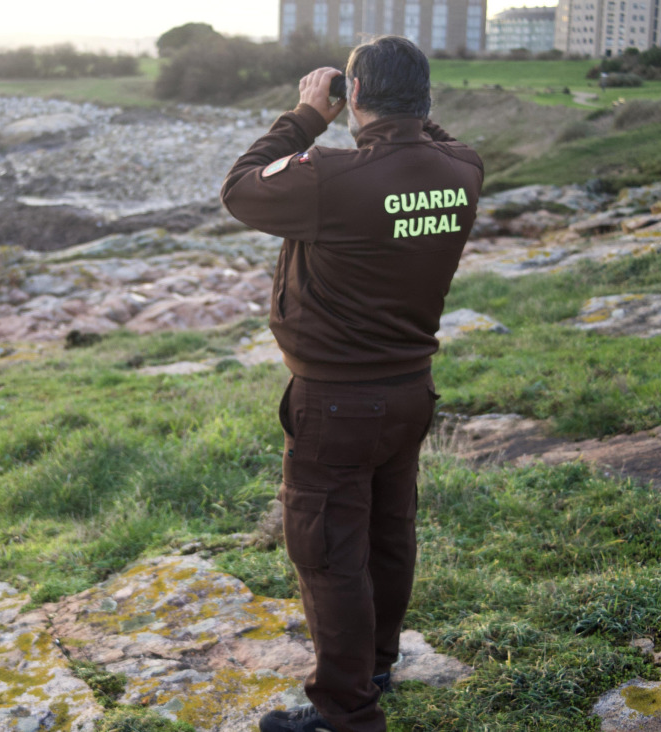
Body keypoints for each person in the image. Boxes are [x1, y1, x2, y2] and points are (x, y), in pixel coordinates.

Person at [220, 36, 483, 732]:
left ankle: (347, 716)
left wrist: (308, 113)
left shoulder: (331, 179)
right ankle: (375, 665)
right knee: (388, 535)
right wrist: (392, 108)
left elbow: (240, 187)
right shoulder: (463, 170)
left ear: (355, 97)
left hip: (336, 403)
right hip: (409, 393)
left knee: (331, 555)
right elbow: (430, 136)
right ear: (426, 102)